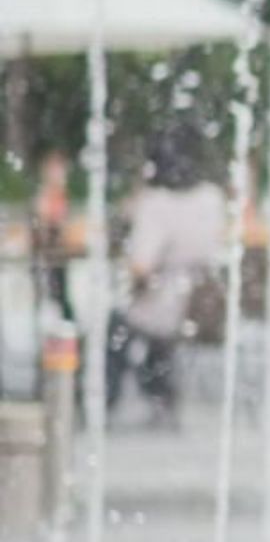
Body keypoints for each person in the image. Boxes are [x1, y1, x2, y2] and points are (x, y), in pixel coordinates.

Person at [107, 124, 225, 426]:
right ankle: (161, 392)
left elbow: (140, 266)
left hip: (163, 303)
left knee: (117, 324)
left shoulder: (156, 205)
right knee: (144, 327)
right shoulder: (212, 198)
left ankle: (109, 396)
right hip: (203, 303)